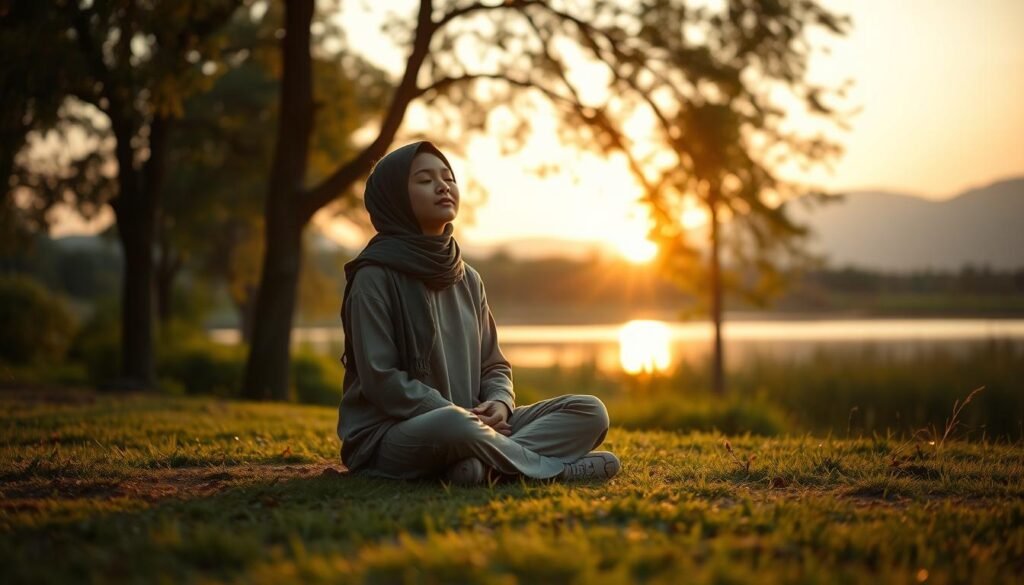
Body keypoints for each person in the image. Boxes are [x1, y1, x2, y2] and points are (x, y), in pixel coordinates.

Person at [335, 140, 620, 485]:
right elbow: (383, 381)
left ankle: (480, 468)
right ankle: (554, 471)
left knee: (589, 410)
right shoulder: (374, 277)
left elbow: (494, 364)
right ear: (394, 197)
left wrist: (499, 404)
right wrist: (458, 415)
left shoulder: (467, 278)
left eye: (448, 178)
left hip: (477, 424)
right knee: (454, 426)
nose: (443, 186)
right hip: (397, 434)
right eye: (424, 180)